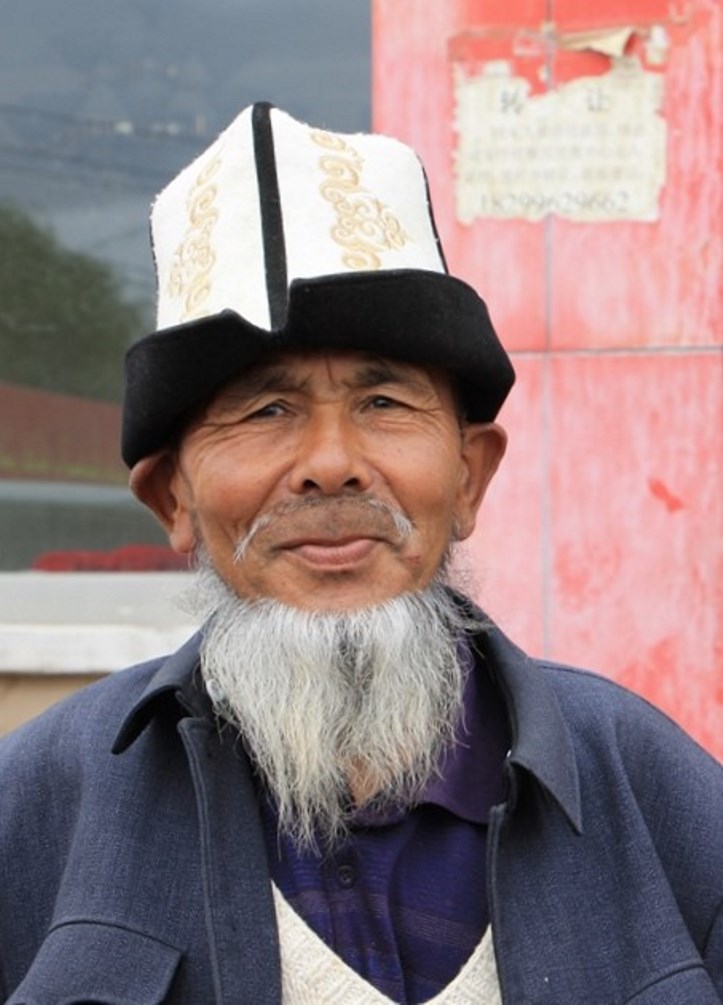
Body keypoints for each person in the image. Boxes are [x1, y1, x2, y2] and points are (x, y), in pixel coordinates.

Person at [0, 102, 721, 1005]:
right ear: (171, 499)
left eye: (383, 402)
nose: (331, 464)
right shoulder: (34, 810)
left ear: (467, 478)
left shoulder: (658, 794)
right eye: (266, 410)